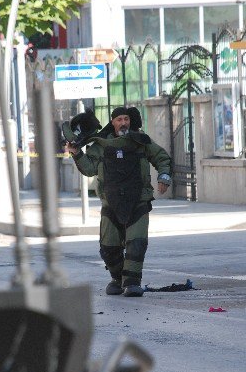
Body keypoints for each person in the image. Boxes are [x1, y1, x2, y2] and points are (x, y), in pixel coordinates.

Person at [65, 106, 172, 297]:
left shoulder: (141, 140)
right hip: (110, 203)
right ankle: (117, 279)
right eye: (119, 120)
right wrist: (76, 153)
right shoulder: (101, 144)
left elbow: (161, 157)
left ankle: (132, 282)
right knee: (108, 247)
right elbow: (89, 169)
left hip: (138, 200)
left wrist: (164, 176)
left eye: (126, 119)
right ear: (112, 122)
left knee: (136, 243)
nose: (123, 123)